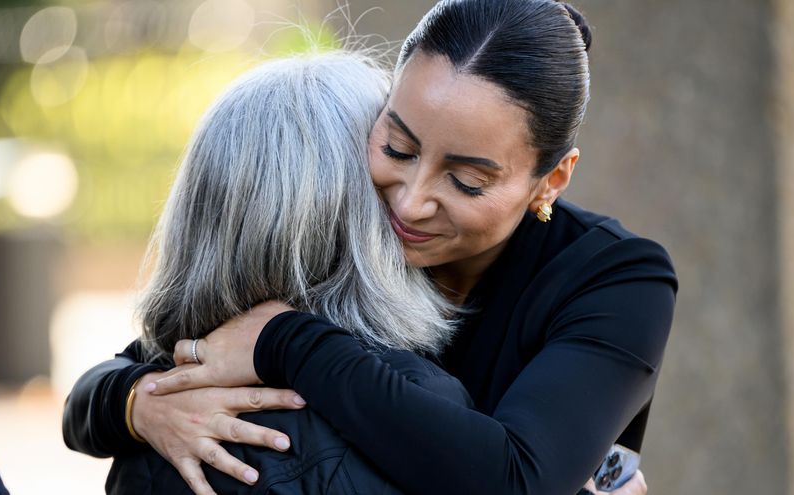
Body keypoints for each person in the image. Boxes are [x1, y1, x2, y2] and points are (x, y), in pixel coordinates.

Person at [65, 1, 675, 494]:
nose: (410, 203)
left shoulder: (615, 277)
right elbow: (132, 368)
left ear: (553, 178)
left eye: (468, 181)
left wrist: (290, 342)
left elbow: (516, 479)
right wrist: (137, 403)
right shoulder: (354, 224)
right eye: (399, 148)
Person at [67, 52, 470, 493]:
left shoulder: (173, 386)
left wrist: (134, 402)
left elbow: (86, 401)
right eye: (399, 154)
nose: (415, 202)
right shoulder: (430, 407)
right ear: (364, 218)